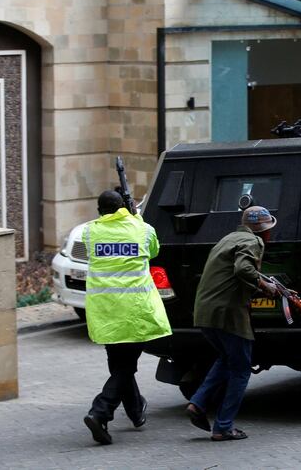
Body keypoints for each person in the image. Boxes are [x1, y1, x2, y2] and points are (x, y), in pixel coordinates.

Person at [82, 190, 172, 445]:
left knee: (118, 365)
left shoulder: (90, 232)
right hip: (136, 311)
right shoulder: (142, 229)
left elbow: (93, 250)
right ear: (125, 207)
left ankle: (135, 410)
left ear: (99, 211)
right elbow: (154, 251)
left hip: (106, 311)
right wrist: (137, 219)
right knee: (126, 367)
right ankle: (99, 411)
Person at [185, 205, 279, 441]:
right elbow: (243, 269)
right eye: (268, 230)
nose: (270, 235)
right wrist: (265, 286)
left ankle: (197, 403)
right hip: (228, 315)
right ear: (262, 231)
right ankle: (223, 426)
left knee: (227, 359)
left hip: (206, 312)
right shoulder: (253, 242)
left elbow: (231, 278)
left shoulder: (227, 239)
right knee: (240, 369)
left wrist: (260, 289)